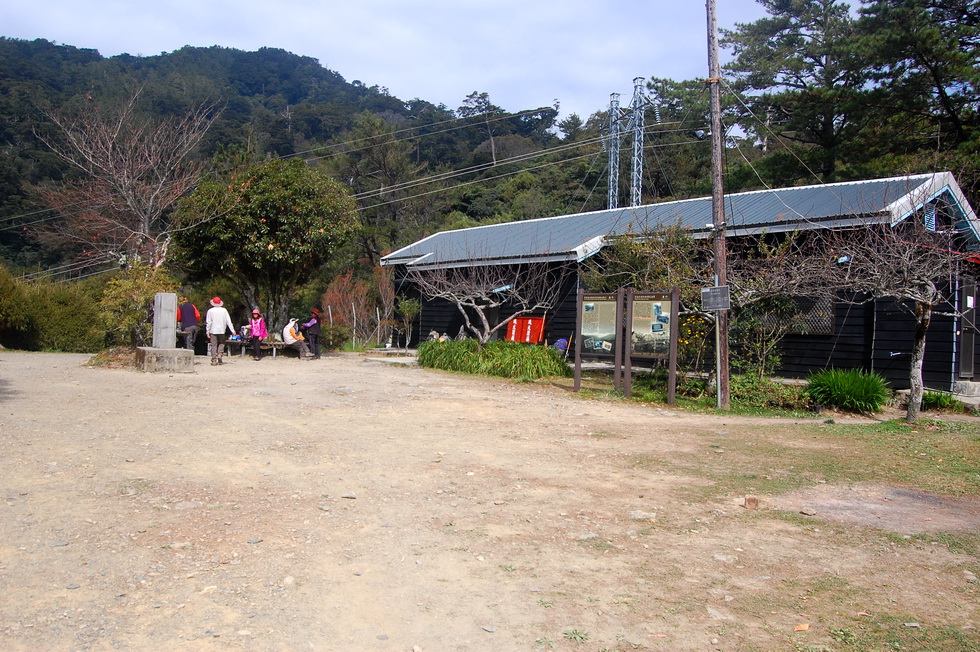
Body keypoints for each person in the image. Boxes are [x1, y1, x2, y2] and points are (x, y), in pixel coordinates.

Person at [205, 296, 236, 366]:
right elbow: (228, 321)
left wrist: (207, 331)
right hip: (222, 329)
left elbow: (208, 322)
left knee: (213, 345)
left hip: (213, 330)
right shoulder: (224, 310)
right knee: (222, 343)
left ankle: (213, 359)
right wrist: (232, 330)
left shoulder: (210, 311)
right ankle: (220, 353)